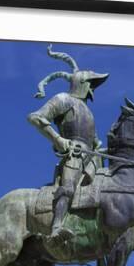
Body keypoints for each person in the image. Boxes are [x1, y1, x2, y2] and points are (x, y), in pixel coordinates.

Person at [27, 45, 109, 247]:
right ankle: (56, 227)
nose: (92, 89)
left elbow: (96, 142)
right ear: (82, 83)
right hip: (73, 155)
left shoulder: (89, 113)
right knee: (68, 188)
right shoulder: (63, 100)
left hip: (92, 159)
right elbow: (35, 117)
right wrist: (59, 140)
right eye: (91, 84)